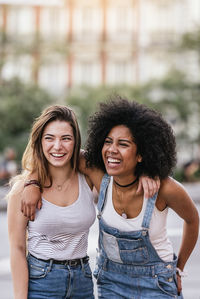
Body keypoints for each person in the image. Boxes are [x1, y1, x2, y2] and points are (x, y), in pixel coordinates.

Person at [8, 104, 158, 299]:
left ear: (76, 142)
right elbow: (18, 250)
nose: (58, 146)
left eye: (66, 138)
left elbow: (122, 172)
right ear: (39, 142)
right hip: (41, 280)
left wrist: (146, 173)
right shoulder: (21, 191)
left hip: (83, 279)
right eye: (49, 138)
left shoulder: (87, 175)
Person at [82, 97, 199, 299]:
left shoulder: (164, 189)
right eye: (108, 141)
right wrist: (30, 183)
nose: (111, 150)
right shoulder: (100, 178)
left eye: (123, 144)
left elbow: (192, 219)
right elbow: (56, 153)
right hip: (111, 283)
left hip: (156, 285)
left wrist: (179, 268)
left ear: (141, 154)